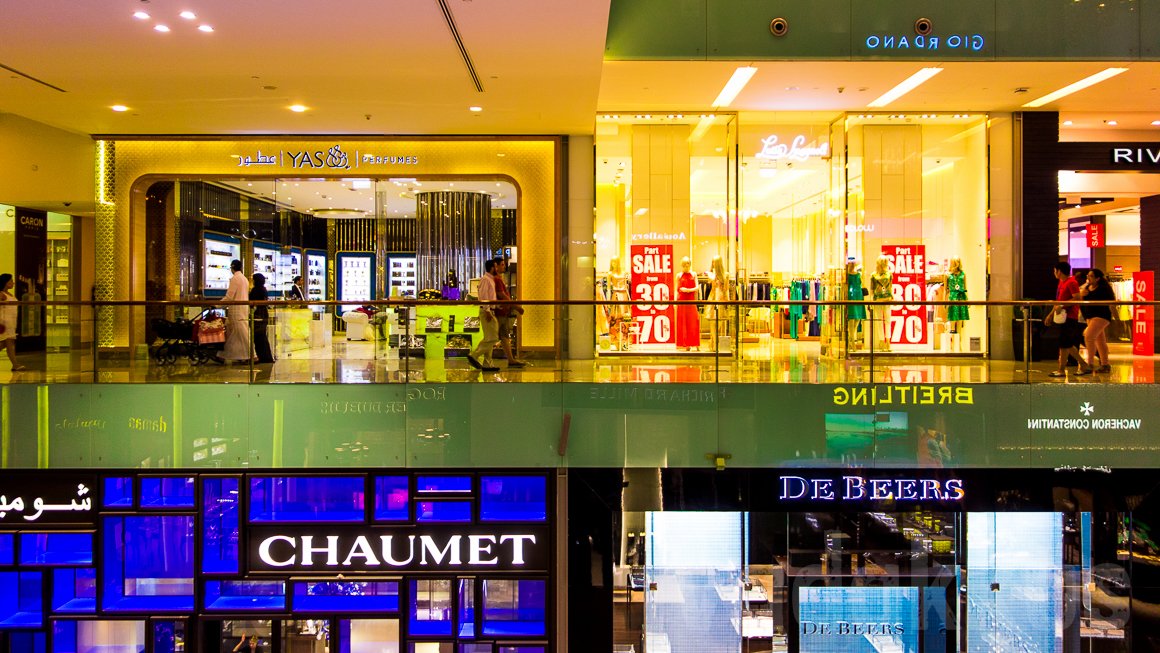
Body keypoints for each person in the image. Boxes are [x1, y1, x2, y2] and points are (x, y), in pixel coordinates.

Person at [1047, 261, 1086, 378]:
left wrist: (1062, 306)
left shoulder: (1072, 282)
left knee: (1065, 343)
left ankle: (1081, 364)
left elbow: (1077, 299)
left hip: (1070, 317)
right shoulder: (1061, 282)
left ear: (1059, 271)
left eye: (1055, 270)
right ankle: (1063, 369)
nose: (1054, 273)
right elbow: (1059, 301)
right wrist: (1050, 314)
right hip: (1063, 317)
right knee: (1064, 344)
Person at [1077, 268, 1115, 374]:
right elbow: (1081, 303)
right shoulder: (1087, 288)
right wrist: (1082, 295)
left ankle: (1090, 364)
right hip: (1090, 317)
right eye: (1088, 276)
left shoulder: (1103, 288)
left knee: (1089, 336)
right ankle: (1105, 364)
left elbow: (1111, 302)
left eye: (1091, 276)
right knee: (1100, 340)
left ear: (1098, 278)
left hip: (1101, 316)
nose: (1088, 277)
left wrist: (1115, 316)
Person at [492, 258, 527, 367]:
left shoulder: (499, 279)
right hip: (500, 312)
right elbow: (502, 296)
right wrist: (516, 306)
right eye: (502, 265)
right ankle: (477, 356)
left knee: (504, 336)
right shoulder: (497, 280)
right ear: (496, 266)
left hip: (503, 311)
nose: (504, 267)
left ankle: (511, 360)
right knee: (494, 336)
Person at [467, 259, 500, 372]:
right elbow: (484, 296)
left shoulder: (490, 279)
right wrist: (487, 310)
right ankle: (474, 355)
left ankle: (487, 363)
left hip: (490, 310)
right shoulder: (486, 280)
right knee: (494, 337)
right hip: (487, 311)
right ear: (492, 268)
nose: (497, 269)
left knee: (489, 337)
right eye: (496, 266)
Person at [222, 259, 253, 363]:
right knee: (239, 332)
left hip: (236, 310)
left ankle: (251, 354)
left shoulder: (235, 279)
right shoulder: (245, 279)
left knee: (240, 332)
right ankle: (239, 354)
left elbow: (229, 296)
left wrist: (218, 304)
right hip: (244, 309)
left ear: (232, 267)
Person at [0, 274, 25, 371]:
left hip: (11, 321)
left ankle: (15, 364)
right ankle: (15, 364)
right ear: (5, 283)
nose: (13, 282)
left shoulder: (9, 294)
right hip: (4, 322)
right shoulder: (1, 294)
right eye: (10, 281)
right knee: (9, 343)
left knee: (4, 343)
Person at [675, 256, 700, 350]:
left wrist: (688, 290)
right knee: (683, 322)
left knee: (693, 321)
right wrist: (675, 302)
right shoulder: (679, 275)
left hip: (691, 300)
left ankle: (696, 344)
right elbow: (676, 289)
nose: (686, 267)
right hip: (682, 301)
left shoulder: (694, 274)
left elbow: (697, 287)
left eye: (688, 264)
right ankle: (686, 344)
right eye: (684, 265)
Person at [250, 273, 275, 364]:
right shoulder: (263, 289)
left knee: (259, 336)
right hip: (263, 314)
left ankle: (263, 357)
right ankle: (266, 357)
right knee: (262, 336)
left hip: (258, 315)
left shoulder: (256, 290)